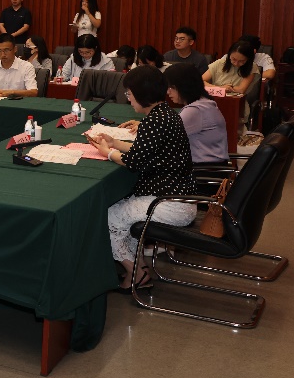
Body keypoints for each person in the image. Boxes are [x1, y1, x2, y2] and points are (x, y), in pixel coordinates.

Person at [88, 66, 196, 291]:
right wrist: (114, 142)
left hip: (171, 204)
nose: (128, 99)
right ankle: (139, 265)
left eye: (129, 94)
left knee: (108, 217)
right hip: (178, 197)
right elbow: (144, 151)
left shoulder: (155, 121)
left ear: (142, 94)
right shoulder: (165, 114)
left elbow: (133, 162)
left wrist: (107, 152)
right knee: (121, 210)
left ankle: (137, 272)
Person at [123, 63, 227, 165]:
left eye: (170, 88)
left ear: (183, 86)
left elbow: (158, 139)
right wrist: (143, 125)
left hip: (203, 168)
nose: (168, 92)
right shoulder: (203, 102)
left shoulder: (195, 110)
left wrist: (145, 127)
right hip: (208, 164)